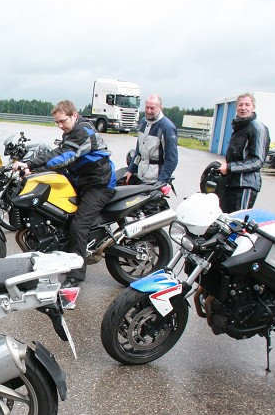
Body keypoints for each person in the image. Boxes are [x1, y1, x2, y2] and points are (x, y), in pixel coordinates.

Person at [12, 100, 115, 284]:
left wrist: (30, 163)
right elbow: (60, 156)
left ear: (74, 115)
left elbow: (64, 156)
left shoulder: (83, 131)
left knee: (78, 226)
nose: (60, 126)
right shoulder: (72, 131)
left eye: (62, 121)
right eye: (56, 122)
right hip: (81, 180)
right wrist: (33, 171)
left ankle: (75, 276)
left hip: (98, 185)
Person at [217, 93, 269, 213]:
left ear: (253, 107)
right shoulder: (240, 126)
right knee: (225, 221)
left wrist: (229, 167)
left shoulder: (257, 128)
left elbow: (257, 161)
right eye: (240, 105)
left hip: (245, 185)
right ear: (236, 107)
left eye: (247, 105)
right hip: (231, 183)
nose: (243, 108)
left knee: (238, 221)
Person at [122, 94, 178, 185]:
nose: (149, 111)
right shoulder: (143, 123)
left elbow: (172, 159)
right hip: (141, 175)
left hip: (155, 180)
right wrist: (131, 170)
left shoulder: (167, 128)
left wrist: (161, 181)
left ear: (160, 108)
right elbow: (138, 151)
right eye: (147, 107)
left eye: (152, 108)